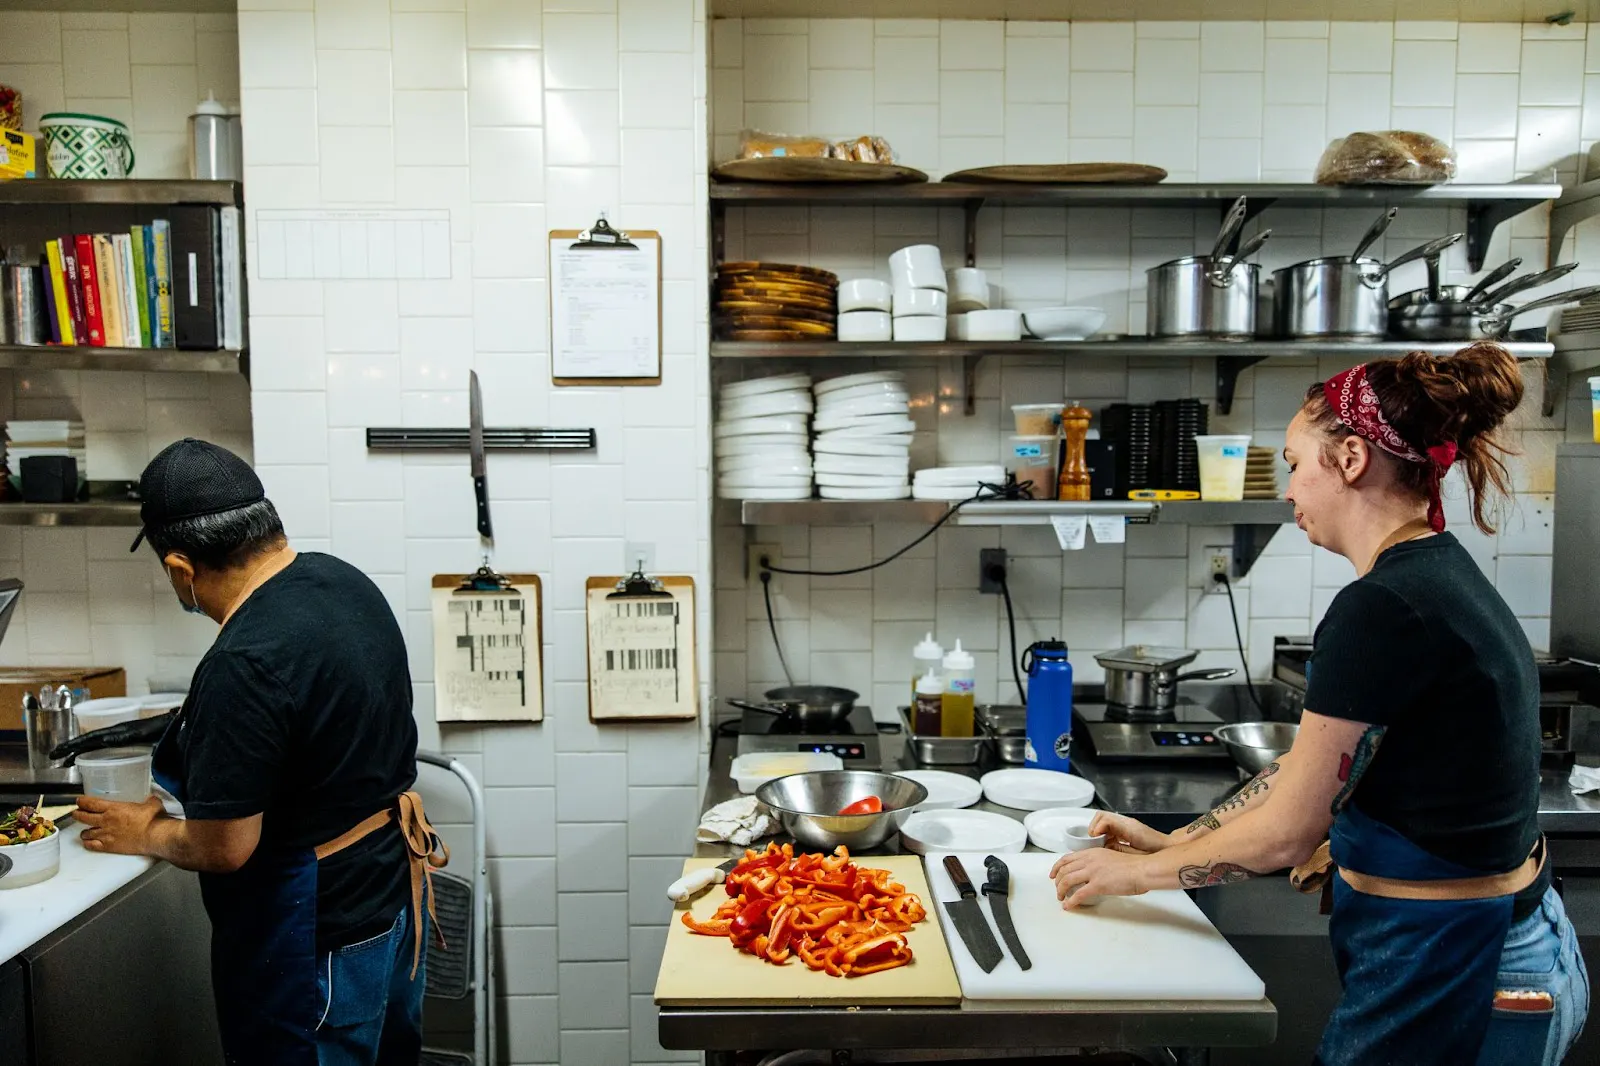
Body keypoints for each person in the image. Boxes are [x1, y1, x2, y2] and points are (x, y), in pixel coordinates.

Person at [1050, 343, 1588, 1065]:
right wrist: (1179, 843)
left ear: (1352, 460)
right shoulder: (1427, 574)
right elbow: (1311, 773)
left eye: (1296, 462)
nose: (1289, 488)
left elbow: (1285, 834)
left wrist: (1136, 874)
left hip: (1464, 964)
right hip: (1474, 947)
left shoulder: (1384, 606)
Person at [71, 438, 446, 1066]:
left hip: (315, 942)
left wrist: (149, 830)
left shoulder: (243, 662)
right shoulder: (343, 581)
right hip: (388, 903)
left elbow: (226, 847)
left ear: (180, 569)